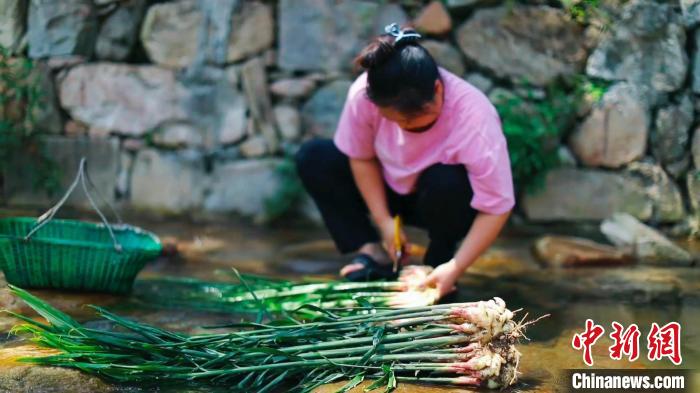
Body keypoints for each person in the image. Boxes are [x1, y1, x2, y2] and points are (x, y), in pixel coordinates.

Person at [295, 24, 514, 299]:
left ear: (437, 89)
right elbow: (361, 158)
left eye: (411, 119)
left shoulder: (475, 117)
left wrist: (456, 267)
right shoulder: (364, 94)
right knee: (316, 157)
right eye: (394, 120)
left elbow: (497, 205)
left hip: (441, 199)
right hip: (388, 187)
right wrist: (385, 222)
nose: (403, 127)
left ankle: (439, 264)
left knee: (446, 181)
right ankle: (373, 252)